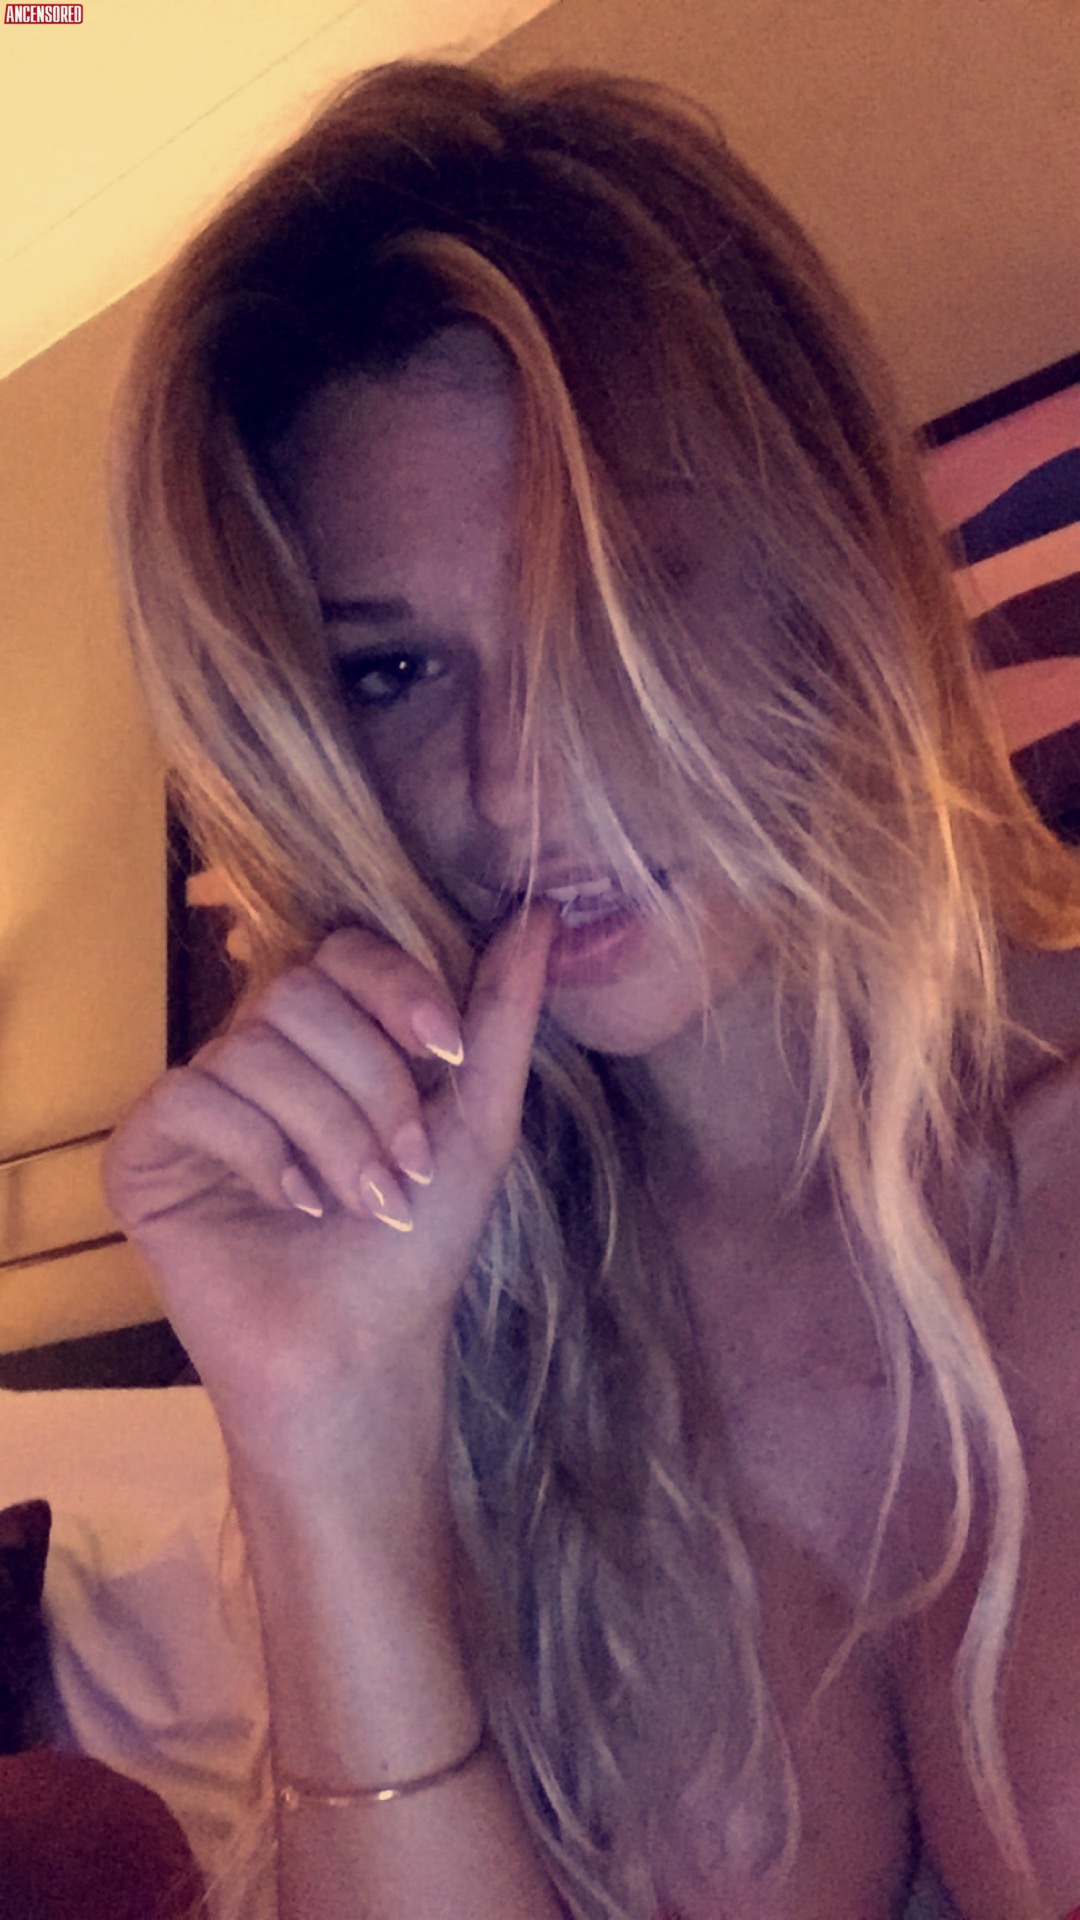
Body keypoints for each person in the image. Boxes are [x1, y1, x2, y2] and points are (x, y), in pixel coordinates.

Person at [103, 59, 1080, 1920]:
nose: (513, 785)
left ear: (821, 560)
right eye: (394, 673)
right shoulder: (469, 1326)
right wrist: (319, 1440)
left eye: (612, 591)